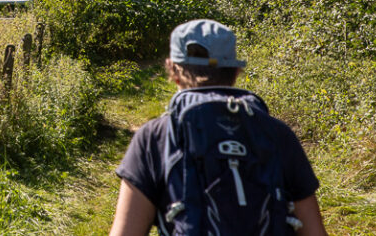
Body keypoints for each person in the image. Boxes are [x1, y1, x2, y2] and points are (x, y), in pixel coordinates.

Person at [109, 19, 327, 236]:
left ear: (172, 70)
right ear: (235, 72)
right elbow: (314, 232)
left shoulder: (155, 137)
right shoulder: (277, 133)